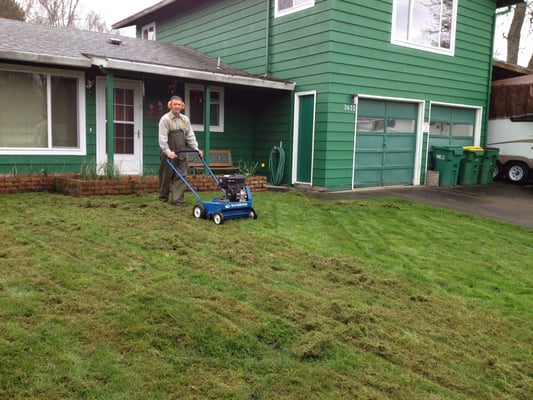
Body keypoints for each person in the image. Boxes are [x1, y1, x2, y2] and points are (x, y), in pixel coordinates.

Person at [158, 95, 203, 205]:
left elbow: (190, 136)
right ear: (170, 105)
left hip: (182, 152)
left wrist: (196, 149)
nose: (177, 106)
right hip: (168, 152)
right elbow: (162, 138)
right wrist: (168, 152)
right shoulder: (165, 119)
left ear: (182, 106)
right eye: (175, 104)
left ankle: (177, 200)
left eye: (179, 104)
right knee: (166, 176)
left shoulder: (185, 119)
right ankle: (163, 197)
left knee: (181, 175)